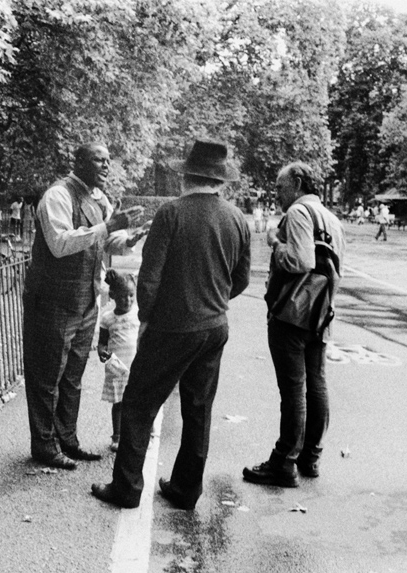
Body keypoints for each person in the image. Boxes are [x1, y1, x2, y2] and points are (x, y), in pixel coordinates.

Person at [91, 139, 251, 509]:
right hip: (214, 326)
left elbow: (149, 279)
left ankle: (127, 487)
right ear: (220, 180)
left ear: (187, 175)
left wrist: (145, 319)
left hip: (172, 326)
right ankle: (185, 489)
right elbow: (240, 279)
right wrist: (214, 300)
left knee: (138, 403)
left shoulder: (171, 214)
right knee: (198, 408)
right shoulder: (236, 218)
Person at [23, 142, 145, 470]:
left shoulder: (96, 199)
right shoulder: (57, 196)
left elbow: (102, 241)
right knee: (48, 375)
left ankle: (68, 440)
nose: (106, 166)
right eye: (98, 159)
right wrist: (108, 226)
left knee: (72, 376)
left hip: (86, 299)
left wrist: (127, 239)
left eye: (108, 160)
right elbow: (61, 244)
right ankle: (44, 445)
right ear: (79, 162)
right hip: (53, 299)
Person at [242, 161, 346, 488]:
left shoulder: (299, 214)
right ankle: (310, 456)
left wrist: (275, 242)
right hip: (321, 314)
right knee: (316, 384)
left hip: (292, 313)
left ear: (298, 182)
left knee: (293, 390)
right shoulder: (331, 219)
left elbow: (301, 261)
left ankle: (283, 461)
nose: (277, 194)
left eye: (280, 187)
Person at [96, 270, 140, 453]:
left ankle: (138, 434)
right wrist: (102, 352)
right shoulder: (107, 318)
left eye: (131, 296)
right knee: (119, 404)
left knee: (137, 402)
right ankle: (117, 436)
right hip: (117, 368)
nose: (128, 300)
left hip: (136, 365)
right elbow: (102, 343)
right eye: (122, 297)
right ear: (113, 296)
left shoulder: (138, 314)